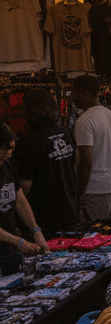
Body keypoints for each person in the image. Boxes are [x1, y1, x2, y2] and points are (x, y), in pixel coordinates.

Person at [14, 89, 78, 233]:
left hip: (43, 217)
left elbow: (25, 185)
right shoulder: (65, 132)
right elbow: (74, 168)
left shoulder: (28, 143)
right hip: (69, 209)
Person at [71, 75, 111, 221]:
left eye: (74, 93)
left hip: (97, 188)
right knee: (109, 231)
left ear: (84, 93)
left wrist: (80, 193)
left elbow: (86, 161)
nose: (72, 97)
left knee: (95, 234)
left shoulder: (84, 120)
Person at [0, 123, 49, 275]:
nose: (8, 154)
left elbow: (19, 198)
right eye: (4, 150)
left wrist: (36, 230)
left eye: (12, 149)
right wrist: (19, 242)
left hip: (7, 246)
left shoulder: (8, 163)